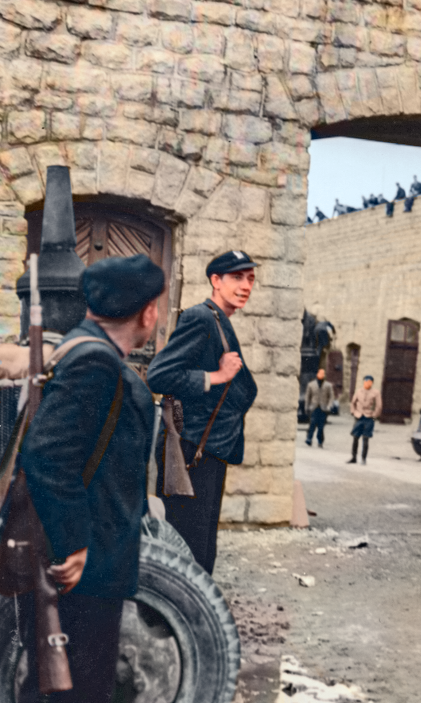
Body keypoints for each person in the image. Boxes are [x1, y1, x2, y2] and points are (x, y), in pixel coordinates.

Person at [19, 254, 162, 702]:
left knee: (58, 680)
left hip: (88, 559)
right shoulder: (95, 362)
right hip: (84, 566)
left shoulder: (81, 346)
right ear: (148, 312)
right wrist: (74, 543)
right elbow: (46, 454)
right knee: (74, 684)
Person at [147, 250, 259, 576]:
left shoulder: (218, 321)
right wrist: (216, 377)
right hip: (191, 452)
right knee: (189, 548)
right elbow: (159, 375)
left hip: (207, 449)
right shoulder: (201, 318)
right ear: (215, 281)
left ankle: (191, 619)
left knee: (202, 548)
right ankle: (176, 619)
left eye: (250, 279)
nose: (246, 286)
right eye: (237, 278)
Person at [348, 375, 381, 464]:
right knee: (355, 437)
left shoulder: (375, 392)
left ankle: (363, 458)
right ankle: (353, 457)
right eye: (365, 381)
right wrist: (353, 412)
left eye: (369, 382)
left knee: (365, 438)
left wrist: (374, 415)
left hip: (369, 418)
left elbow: (378, 406)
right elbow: (353, 403)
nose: (367, 383)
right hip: (358, 417)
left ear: (372, 383)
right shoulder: (359, 391)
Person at [304, 367, 334, 448]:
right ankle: (309, 439)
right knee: (312, 424)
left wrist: (329, 406)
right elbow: (307, 397)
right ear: (317, 374)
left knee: (321, 426)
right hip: (314, 407)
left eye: (323, 374)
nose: (321, 375)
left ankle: (320, 441)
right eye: (320, 373)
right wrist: (306, 407)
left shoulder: (328, 385)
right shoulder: (311, 384)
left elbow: (331, 397)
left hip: (323, 408)